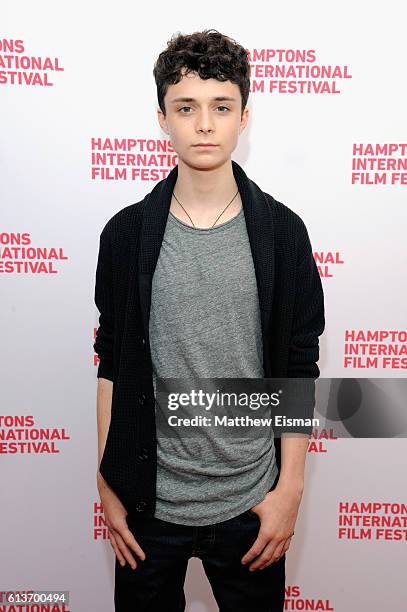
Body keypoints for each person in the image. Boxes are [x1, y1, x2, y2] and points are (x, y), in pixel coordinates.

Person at [94, 28, 325, 612]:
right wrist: (107, 481)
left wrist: (289, 490)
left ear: (244, 116)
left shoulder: (282, 233)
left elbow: (298, 362)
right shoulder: (125, 235)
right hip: (148, 506)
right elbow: (113, 362)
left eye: (221, 107)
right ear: (162, 118)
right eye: (186, 107)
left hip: (251, 502)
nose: (203, 124)